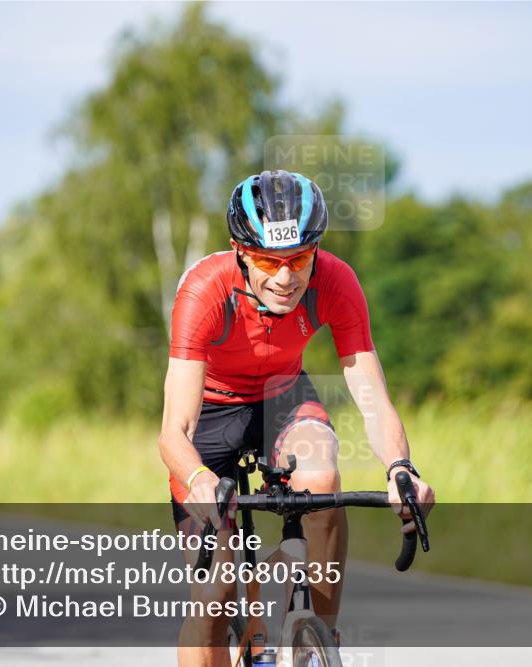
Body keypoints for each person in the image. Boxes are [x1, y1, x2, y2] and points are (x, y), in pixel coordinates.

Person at [160, 170, 435, 667]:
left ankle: (316, 640)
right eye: (268, 260)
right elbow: (173, 431)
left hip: (283, 397)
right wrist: (199, 479)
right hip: (210, 415)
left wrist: (401, 469)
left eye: (299, 260)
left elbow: (371, 393)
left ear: (316, 251)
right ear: (239, 250)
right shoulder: (204, 291)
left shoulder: (336, 280)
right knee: (215, 595)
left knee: (323, 473)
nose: (285, 278)